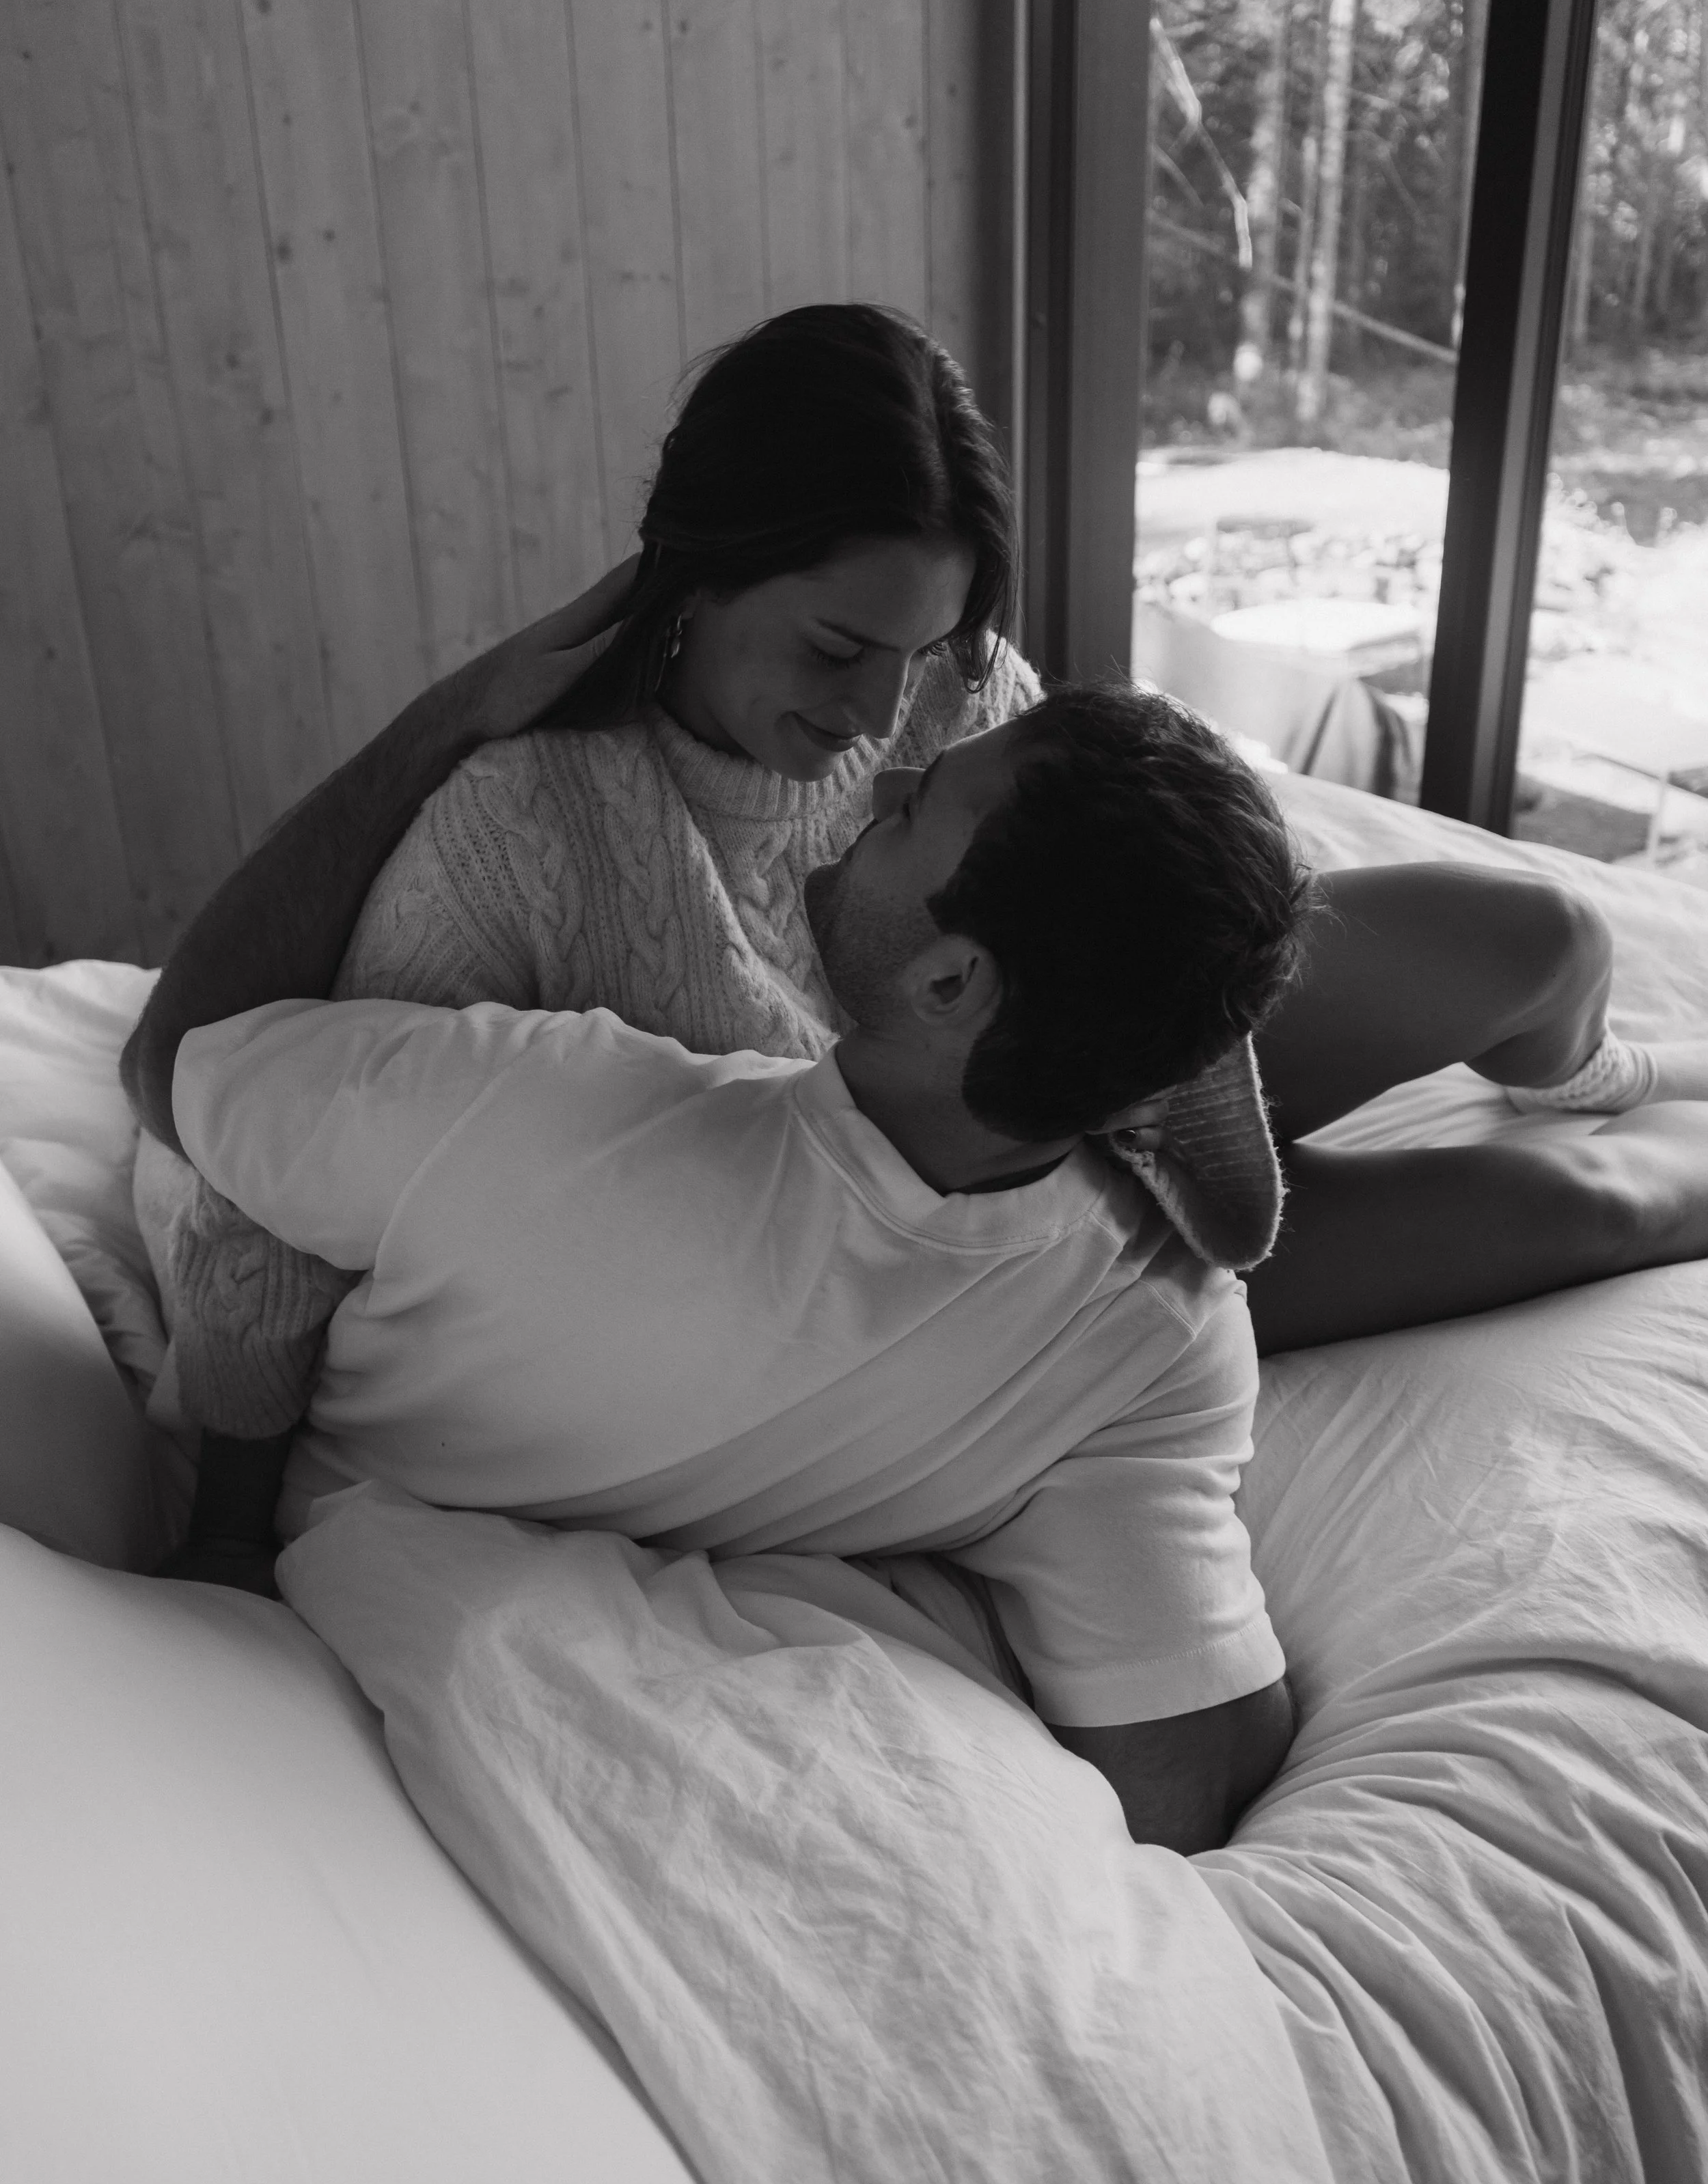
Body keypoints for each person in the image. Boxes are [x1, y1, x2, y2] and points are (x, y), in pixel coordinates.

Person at [133, 302, 1708, 1560]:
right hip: (998, 1261)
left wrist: (1200, 1124)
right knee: (1585, 1209)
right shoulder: (519, 838)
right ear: (699, 563)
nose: (884, 715)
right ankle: (1604, 1136)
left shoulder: (946, 694)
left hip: (1078, 1072)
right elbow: (274, 1185)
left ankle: (1598, 1067)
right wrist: (224, 1527)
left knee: (1538, 936)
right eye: (836, 646)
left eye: (931, 645)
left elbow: (1103, 917)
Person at [128, 680, 1315, 1857]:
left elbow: (168, 1065)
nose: (888, 776)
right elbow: (1184, 1775)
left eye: (918, 808)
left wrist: (454, 712)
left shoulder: (529, 1115)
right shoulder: (1154, 1336)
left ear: (951, 982)